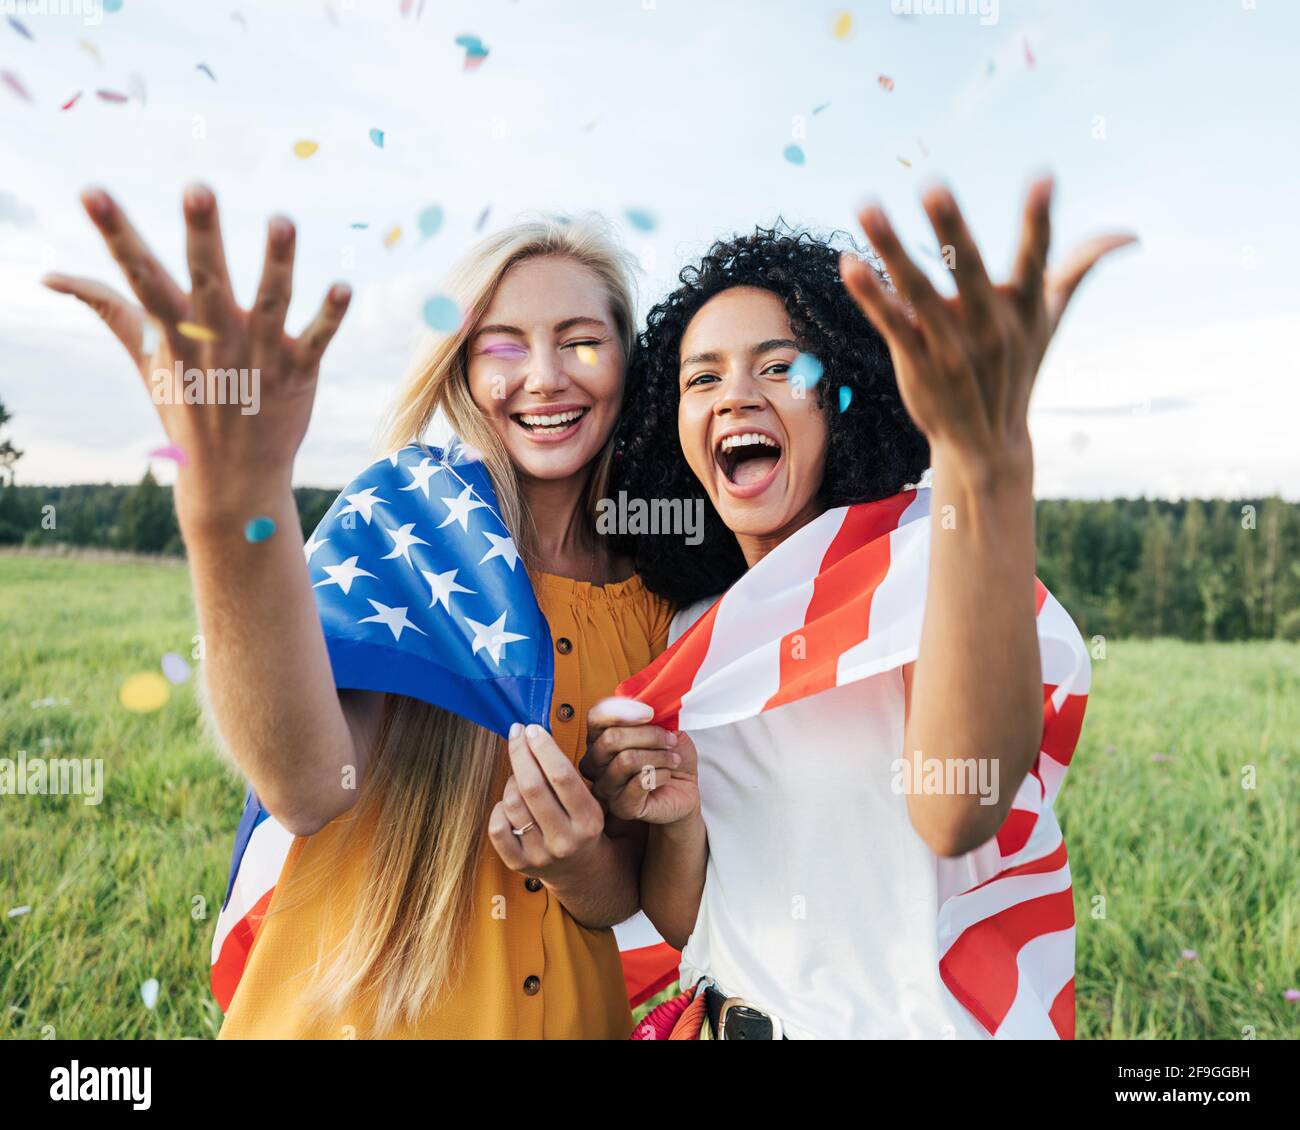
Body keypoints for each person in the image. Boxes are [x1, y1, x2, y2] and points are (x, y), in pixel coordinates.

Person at [43, 187, 675, 1038]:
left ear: (627, 364)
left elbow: (624, 895)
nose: (545, 376)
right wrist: (236, 503)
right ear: (461, 368)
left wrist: (578, 860)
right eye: (505, 345)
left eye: (582, 342)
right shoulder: (402, 523)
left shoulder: (656, 596)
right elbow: (307, 787)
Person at [584, 179, 1135, 1039]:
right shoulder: (696, 635)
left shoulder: (928, 574)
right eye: (703, 377)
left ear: (844, 399)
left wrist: (978, 464)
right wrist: (679, 816)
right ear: (673, 421)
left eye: (779, 366)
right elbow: (698, 923)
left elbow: (959, 810)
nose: (736, 393)